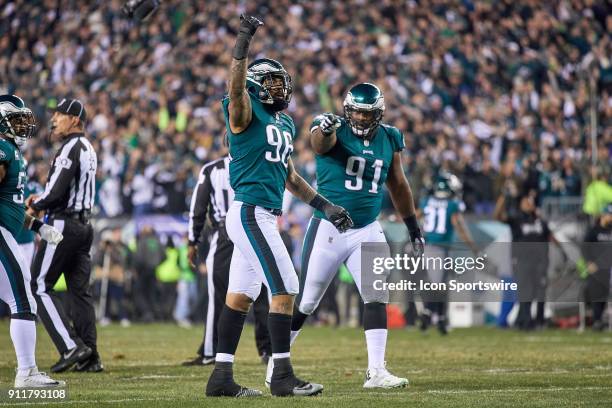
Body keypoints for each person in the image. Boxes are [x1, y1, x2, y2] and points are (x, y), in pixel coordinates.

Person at [205, 14, 352, 398]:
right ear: (255, 85)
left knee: (239, 296)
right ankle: (282, 376)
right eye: (270, 81)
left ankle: (221, 378)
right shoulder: (244, 111)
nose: (279, 87)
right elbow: (236, 91)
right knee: (286, 288)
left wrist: (325, 205)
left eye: (279, 82)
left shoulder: (283, 123)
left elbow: (289, 175)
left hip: (262, 213)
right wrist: (243, 40)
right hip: (251, 211)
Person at [285, 83, 423, 389]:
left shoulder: (389, 137)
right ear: (347, 110)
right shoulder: (331, 126)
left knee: (376, 296)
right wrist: (325, 129)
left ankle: (376, 371)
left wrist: (413, 226)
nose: (360, 118)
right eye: (356, 112)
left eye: (366, 112)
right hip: (329, 228)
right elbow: (320, 143)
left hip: (368, 229)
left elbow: (398, 184)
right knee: (307, 301)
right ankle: (277, 364)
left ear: (378, 114)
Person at [27, 98, 102, 372]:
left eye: (60, 114)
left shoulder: (70, 147)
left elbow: (57, 191)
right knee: (79, 293)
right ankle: (91, 356)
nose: (55, 119)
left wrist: (36, 203)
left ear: (75, 120)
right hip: (83, 227)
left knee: (38, 285)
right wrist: (43, 198)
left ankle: (71, 347)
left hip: (63, 226)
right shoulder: (88, 147)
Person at [0, 94, 64, 387]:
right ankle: (26, 373)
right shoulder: (1, 148)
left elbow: (12, 206)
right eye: (16, 118)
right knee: (22, 298)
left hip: (7, 229)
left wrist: (38, 227)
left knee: (19, 297)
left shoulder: (12, 150)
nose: (23, 124)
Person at [183, 154, 271, 367]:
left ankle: (211, 351)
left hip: (226, 233)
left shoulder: (212, 170)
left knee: (219, 295)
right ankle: (268, 349)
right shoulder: (257, 162)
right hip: (255, 227)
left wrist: (193, 240)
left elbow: (199, 206)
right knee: (261, 294)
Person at [419, 173, 479, 335]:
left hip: (429, 246)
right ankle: (427, 314)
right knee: (438, 285)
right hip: (440, 247)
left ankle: (440, 319)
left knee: (441, 285)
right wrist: (473, 246)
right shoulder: (452, 204)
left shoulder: (426, 201)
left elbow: (417, 217)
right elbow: (458, 225)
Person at [582, 204, 612, 331]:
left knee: (604, 295)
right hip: (595, 267)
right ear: (603, 215)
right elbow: (585, 247)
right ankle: (596, 320)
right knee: (596, 294)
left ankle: (599, 320)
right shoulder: (594, 230)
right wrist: (589, 262)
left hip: (607, 268)